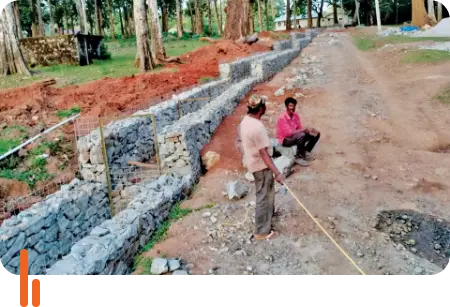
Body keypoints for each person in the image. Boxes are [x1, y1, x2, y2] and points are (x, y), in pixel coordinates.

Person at [239, 95, 284, 241]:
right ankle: (262, 231)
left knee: (267, 192)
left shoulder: (246, 120)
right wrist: (277, 172)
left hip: (254, 162)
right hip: (260, 166)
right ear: (261, 109)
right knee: (263, 196)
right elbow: (264, 153)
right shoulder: (257, 127)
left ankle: (268, 216)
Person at [276, 97, 320, 167]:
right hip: (285, 139)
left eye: (293, 106)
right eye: (290, 106)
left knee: (315, 134)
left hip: (294, 136)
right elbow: (288, 133)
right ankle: (298, 157)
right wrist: (303, 130)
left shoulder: (295, 115)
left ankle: (305, 152)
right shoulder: (282, 118)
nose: (292, 108)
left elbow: (299, 127)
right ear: (286, 106)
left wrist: (308, 130)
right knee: (301, 135)